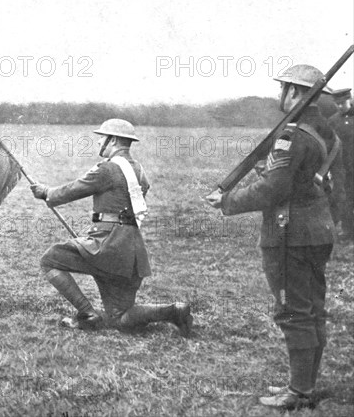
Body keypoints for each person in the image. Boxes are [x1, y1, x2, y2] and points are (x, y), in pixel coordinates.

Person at [206, 64, 341, 409]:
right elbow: (297, 176)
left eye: (284, 88)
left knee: (293, 311)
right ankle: (306, 386)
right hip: (317, 229)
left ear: (294, 92)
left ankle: (298, 392)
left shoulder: (292, 135)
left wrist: (227, 201)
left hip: (290, 233)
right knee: (312, 309)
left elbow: (273, 188)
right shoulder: (325, 133)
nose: (280, 94)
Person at [30, 119, 192, 336]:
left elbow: (73, 189)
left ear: (113, 140)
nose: (98, 142)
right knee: (121, 318)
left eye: (101, 137)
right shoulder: (138, 170)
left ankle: (88, 314)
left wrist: (46, 192)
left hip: (106, 248)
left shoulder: (107, 169)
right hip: (132, 253)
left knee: (49, 259)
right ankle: (173, 311)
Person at [328, 88, 354, 241]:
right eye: (337, 104)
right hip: (342, 167)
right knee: (344, 198)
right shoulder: (333, 121)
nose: (339, 106)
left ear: (349, 100)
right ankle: (348, 230)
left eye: (342, 103)